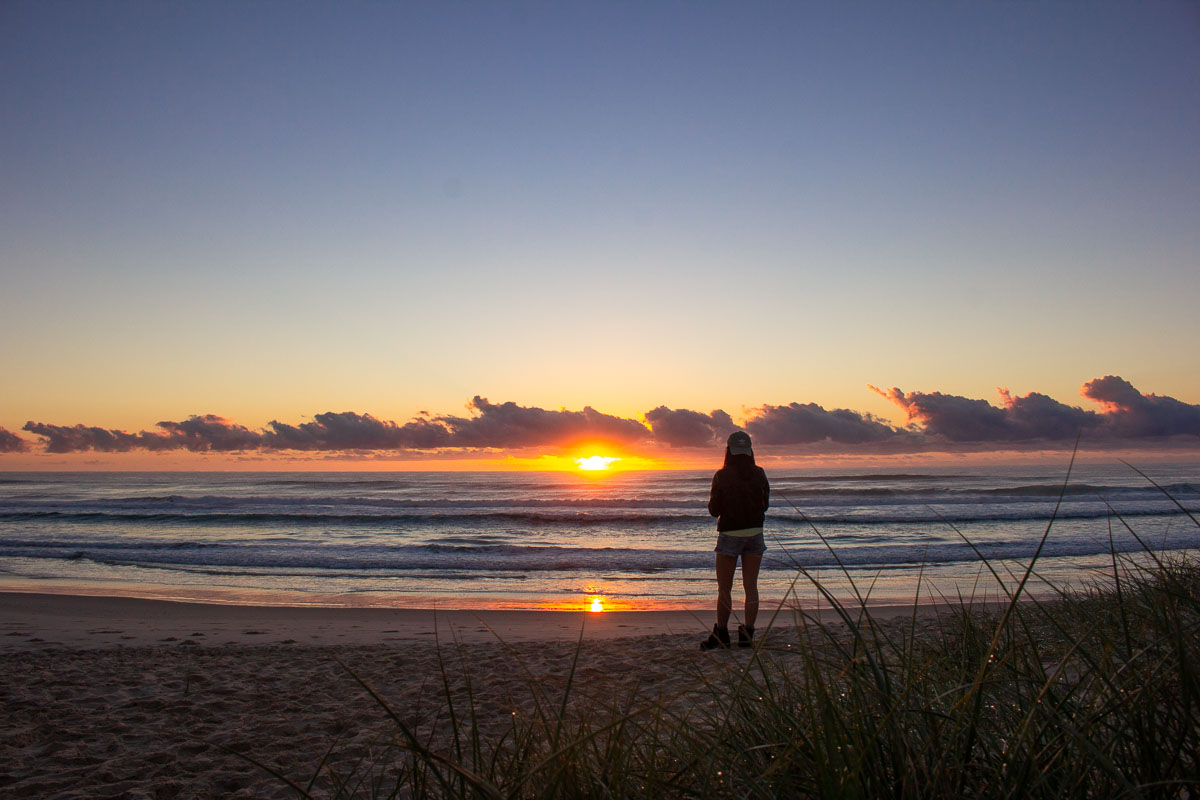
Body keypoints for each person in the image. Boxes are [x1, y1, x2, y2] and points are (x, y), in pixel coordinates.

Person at [701, 430, 770, 650]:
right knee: (751, 587)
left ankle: (721, 633)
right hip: (755, 534)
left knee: (725, 588)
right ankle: (747, 633)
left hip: (730, 534)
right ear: (749, 451)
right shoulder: (759, 473)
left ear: (729, 451)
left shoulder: (721, 475)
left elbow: (714, 510)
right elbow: (765, 504)